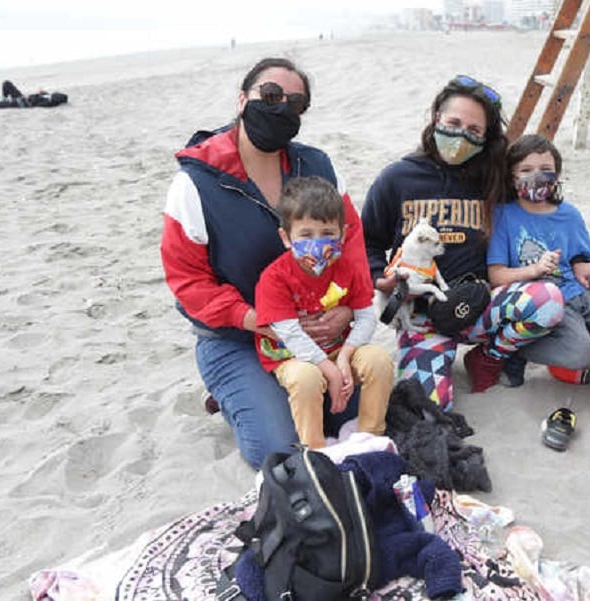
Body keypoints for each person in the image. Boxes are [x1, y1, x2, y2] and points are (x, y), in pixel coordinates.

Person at [160, 57, 369, 469]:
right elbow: (188, 283)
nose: (281, 108)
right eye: (270, 95)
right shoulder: (196, 183)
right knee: (277, 448)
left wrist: (347, 307)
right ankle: (231, 391)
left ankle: (266, 392)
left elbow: (353, 245)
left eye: (295, 103)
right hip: (238, 338)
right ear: (242, 100)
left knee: (350, 416)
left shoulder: (319, 167)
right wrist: (257, 318)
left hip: (318, 329)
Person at [361, 75, 565, 407]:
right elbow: (366, 239)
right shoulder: (397, 178)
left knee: (549, 301)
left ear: (486, 139)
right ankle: (434, 360)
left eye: (473, 131)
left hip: (481, 304)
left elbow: (537, 208)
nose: (460, 135)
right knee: (428, 408)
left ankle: (488, 357)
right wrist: (380, 278)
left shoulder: (493, 180)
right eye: (453, 122)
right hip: (423, 314)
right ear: (436, 119)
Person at [254, 176, 393, 449]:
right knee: (306, 378)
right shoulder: (275, 278)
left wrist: (345, 356)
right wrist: (328, 369)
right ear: (286, 237)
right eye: (306, 235)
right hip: (291, 355)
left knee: (379, 360)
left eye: (328, 233)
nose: (318, 243)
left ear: (342, 234)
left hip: (338, 347)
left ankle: (369, 438)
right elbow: (289, 334)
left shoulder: (349, 268)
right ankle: (316, 451)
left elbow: (366, 316)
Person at [486, 134, 590, 387]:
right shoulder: (504, 215)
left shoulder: (569, 214)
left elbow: (581, 258)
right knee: (581, 354)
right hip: (542, 303)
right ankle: (516, 351)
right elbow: (496, 275)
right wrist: (533, 269)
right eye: (526, 170)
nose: (536, 176)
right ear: (512, 178)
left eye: (546, 169)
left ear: (557, 175)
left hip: (578, 291)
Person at [0, 80, 67, 109]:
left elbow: (34, 103)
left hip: (18, 103)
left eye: (55, 95)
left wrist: (38, 95)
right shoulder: (47, 96)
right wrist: (40, 92)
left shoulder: (47, 103)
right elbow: (41, 94)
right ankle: (4, 99)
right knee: (6, 83)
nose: (54, 94)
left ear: (55, 99)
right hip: (21, 97)